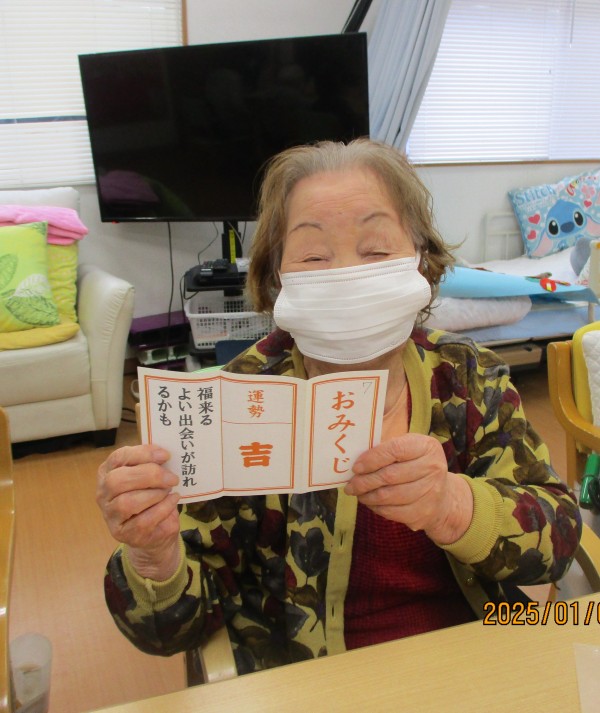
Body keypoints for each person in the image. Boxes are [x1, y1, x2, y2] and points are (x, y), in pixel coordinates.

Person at [97, 138, 581, 673]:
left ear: (421, 262)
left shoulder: (468, 376)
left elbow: (558, 538)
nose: (346, 274)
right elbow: (173, 631)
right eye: (313, 255)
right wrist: (153, 554)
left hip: (472, 662)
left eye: (375, 251)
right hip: (308, 681)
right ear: (276, 276)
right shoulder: (238, 403)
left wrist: (450, 504)